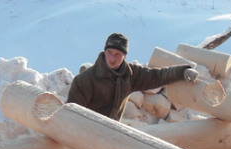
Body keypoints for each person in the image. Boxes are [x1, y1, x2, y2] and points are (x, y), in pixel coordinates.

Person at [67, 32, 199, 121]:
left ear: (124, 56)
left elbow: (157, 76)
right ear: (104, 51)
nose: (112, 58)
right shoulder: (85, 80)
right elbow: (71, 115)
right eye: (109, 52)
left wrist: (183, 72)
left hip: (111, 136)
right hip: (85, 136)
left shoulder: (130, 74)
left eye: (117, 54)